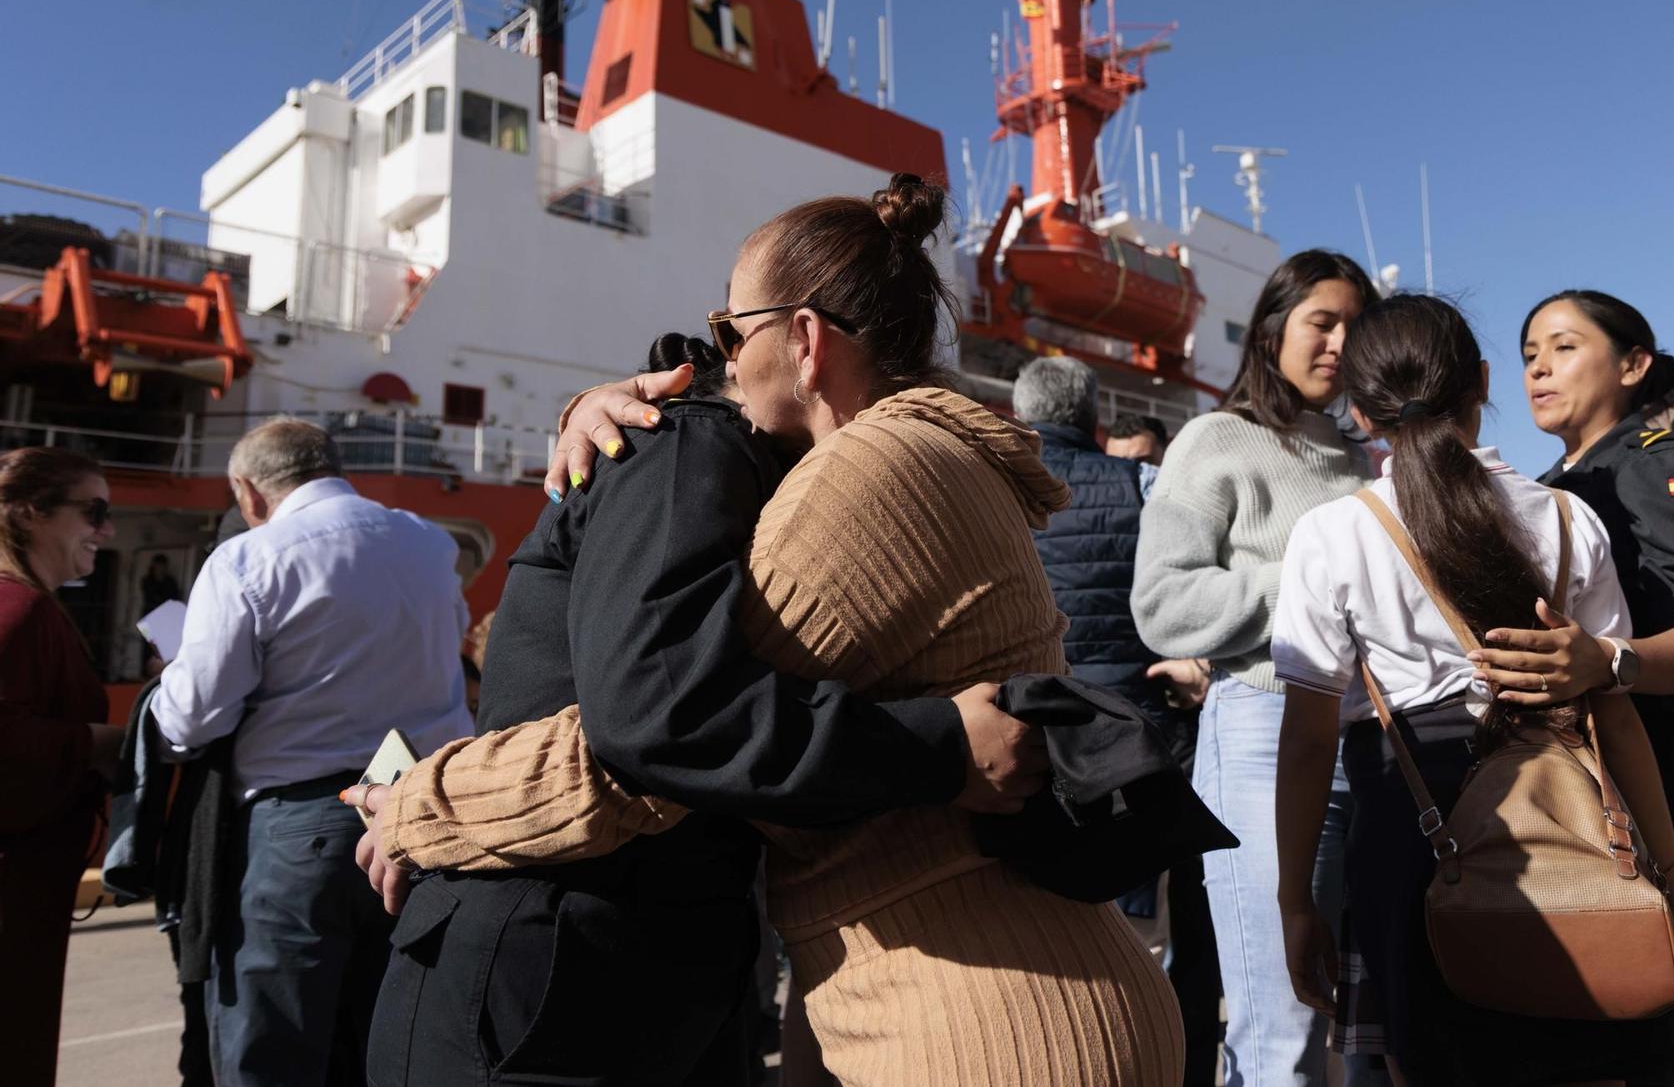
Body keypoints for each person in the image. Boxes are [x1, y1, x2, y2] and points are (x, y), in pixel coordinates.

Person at [358, 176, 1182, 1084]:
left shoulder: (873, 473)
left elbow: (661, 728)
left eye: (728, 336)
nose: (721, 369)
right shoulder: (942, 454)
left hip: (988, 1018)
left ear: (805, 339)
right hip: (1013, 985)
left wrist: (420, 805)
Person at [351, 317, 1048, 1087]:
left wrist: (419, 807)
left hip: (621, 962)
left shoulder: (771, 475)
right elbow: (653, 728)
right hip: (554, 961)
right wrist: (942, 748)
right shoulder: (695, 451)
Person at [1273, 294, 1674, 1086]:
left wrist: (1295, 903)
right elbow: (1616, 722)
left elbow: (1307, 742)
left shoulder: (1331, 533)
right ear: (1481, 381)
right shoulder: (1569, 518)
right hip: (1576, 822)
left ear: (1361, 412)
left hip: (1411, 834)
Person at [151, 419, 473, 1087]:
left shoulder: (247, 559)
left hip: (300, 829)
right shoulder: (429, 542)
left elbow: (194, 716)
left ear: (249, 491)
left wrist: (162, 696)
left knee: (274, 1052)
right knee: (389, 1041)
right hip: (421, 815)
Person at [1132, 248, 1384, 1086]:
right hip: (1261, 732)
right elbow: (1163, 604)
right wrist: (1312, 580)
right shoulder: (1214, 438)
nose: (1340, 344)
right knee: (1283, 1024)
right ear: (1272, 329)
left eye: (1356, 327)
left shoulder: (1360, 456)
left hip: (1370, 738)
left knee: (1364, 1021)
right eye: (1322, 322)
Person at [1514, 290, 1674, 1070]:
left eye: (1563, 347)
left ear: (1633, 364)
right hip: (1573, 778)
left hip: (1657, 776)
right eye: (1529, 355)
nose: (1540, 369)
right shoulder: (1543, 485)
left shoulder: (1662, 465)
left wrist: (1612, 660)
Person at [1013, 355, 1221, 1086]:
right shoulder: (1143, 483)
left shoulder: (992, 492)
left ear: (1021, 416)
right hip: (1138, 740)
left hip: (1028, 741)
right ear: (1093, 418)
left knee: (1042, 941)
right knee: (1145, 935)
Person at [0, 447, 122, 1087]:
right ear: (29, 513)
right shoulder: (21, 612)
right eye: (93, 512)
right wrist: (105, 742)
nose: (107, 530)